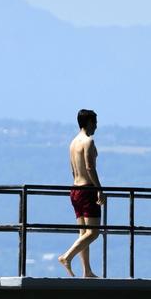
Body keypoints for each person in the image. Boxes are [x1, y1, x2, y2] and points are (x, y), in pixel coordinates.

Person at [58, 109, 105, 277]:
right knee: (93, 232)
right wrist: (99, 190)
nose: (96, 127)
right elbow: (90, 167)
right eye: (95, 123)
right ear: (90, 123)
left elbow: (73, 169)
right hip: (87, 190)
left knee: (83, 233)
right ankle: (67, 256)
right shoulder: (88, 142)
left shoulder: (73, 143)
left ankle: (87, 271)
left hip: (75, 189)